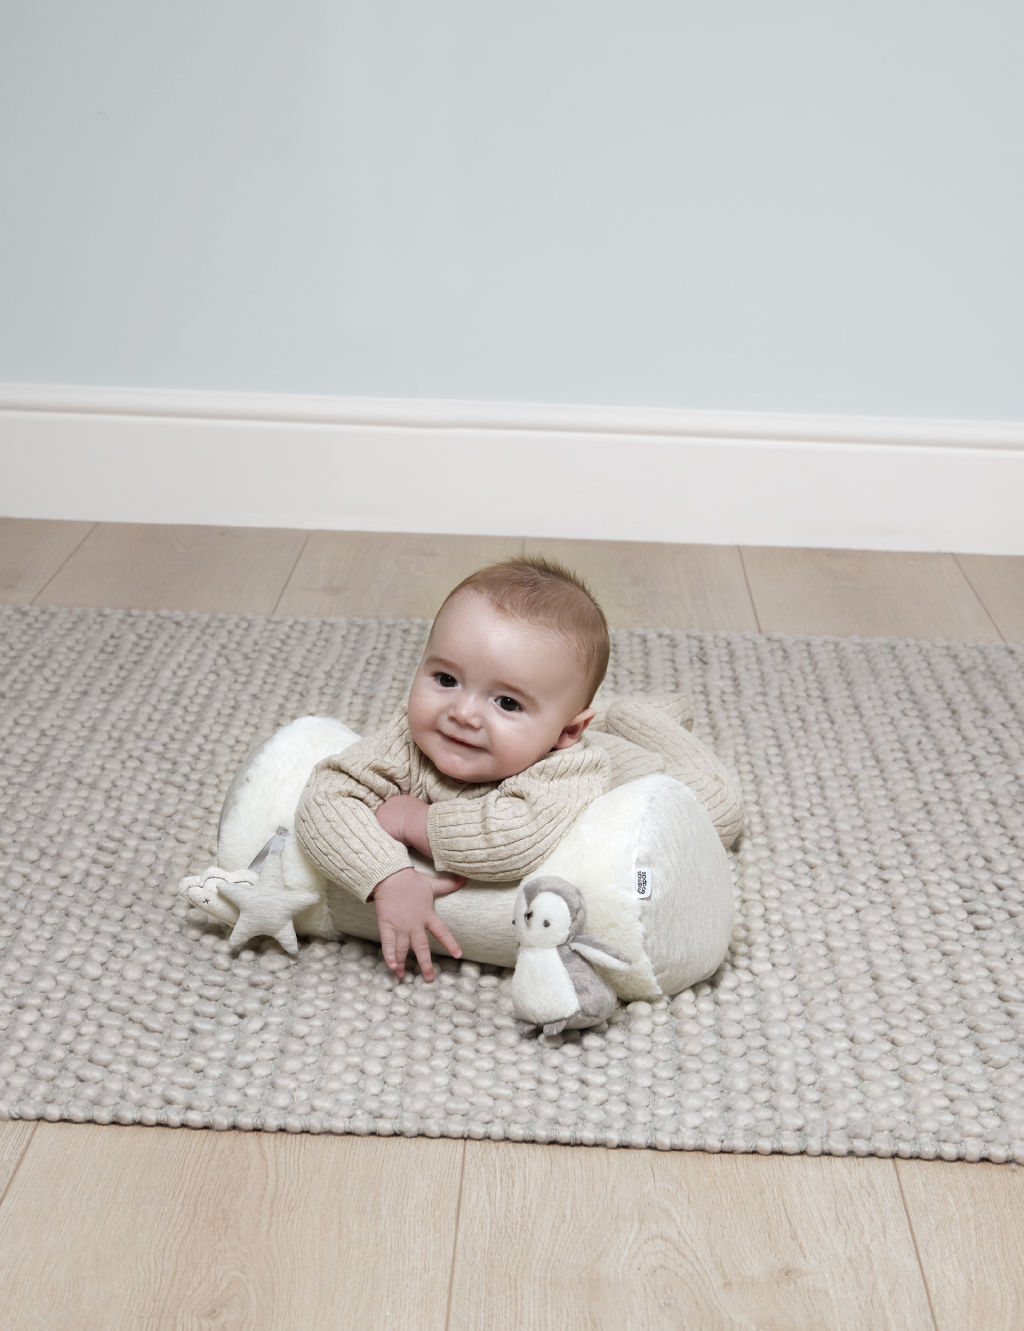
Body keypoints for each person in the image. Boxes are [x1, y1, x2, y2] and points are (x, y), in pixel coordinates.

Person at [295, 558, 743, 982]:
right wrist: (386, 876)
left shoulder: (567, 768)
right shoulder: (408, 737)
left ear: (567, 733)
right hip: (562, 724)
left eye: (507, 702)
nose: (463, 713)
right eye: (446, 679)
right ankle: (598, 715)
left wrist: (415, 820)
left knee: (720, 808)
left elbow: (511, 841)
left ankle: (637, 720)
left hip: (628, 769)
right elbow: (325, 796)